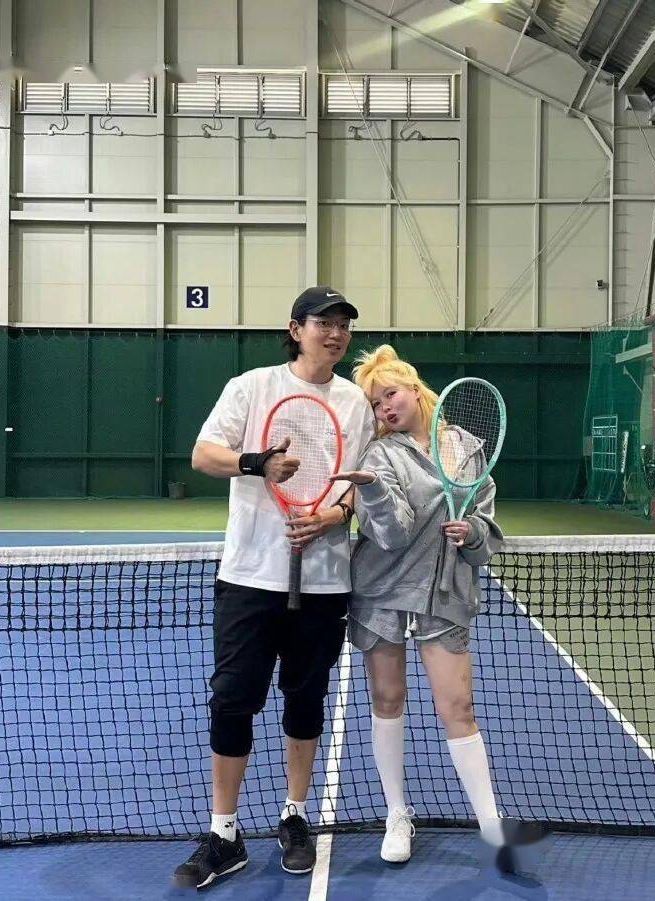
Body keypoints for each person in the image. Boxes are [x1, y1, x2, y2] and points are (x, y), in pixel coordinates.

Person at [173, 287, 375, 890]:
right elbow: (203, 454)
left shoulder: (355, 403)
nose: (335, 334)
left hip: (325, 581)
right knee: (233, 700)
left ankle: (295, 816)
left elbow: (361, 480)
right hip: (249, 576)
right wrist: (256, 462)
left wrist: (335, 516)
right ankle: (224, 832)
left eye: (343, 325)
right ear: (295, 329)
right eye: (323, 322)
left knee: (305, 699)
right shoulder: (251, 387)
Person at [331, 344, 539, 872]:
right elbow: (394, 535)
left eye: (390, 395)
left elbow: (486, 528)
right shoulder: (379, 455)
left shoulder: (467, 449)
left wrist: (472, 533)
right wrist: (374, 492)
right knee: (387, 699)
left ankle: (493, 829)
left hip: (445, 592)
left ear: (415, 388)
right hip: (382, 590)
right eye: (376, 404)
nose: (385, 408)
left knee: (457, 707)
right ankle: (396, 814)